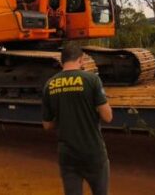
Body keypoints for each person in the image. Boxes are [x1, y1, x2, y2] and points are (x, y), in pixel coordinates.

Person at [42, 44, 113, 195]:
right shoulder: (92, 79)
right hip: (92, 152)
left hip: (67, 154)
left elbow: (47, 125)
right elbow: (107, 117)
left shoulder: (49, 84)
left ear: (62, 61)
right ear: (80, 60)